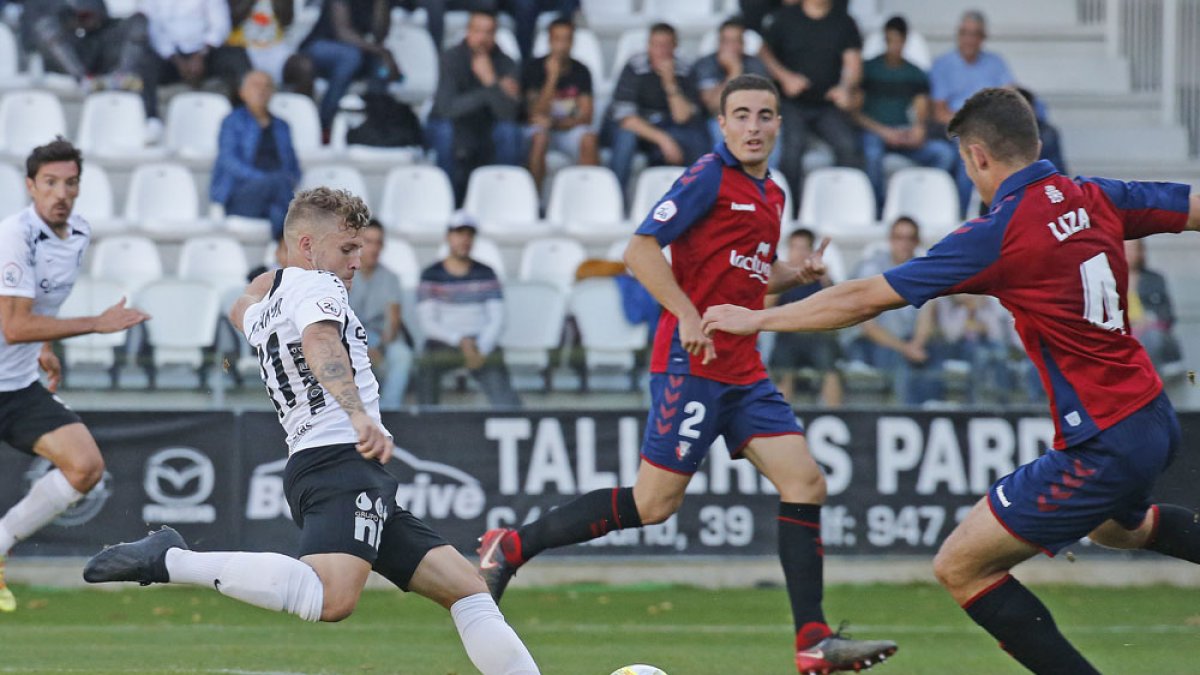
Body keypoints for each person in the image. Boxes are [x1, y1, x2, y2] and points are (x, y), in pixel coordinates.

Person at [703, 86, 1200, 674]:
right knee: (1120, 529)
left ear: (977, 158)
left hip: (1103, 441)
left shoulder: (1000, 232)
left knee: (962, 565)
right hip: (1152, 416)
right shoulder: (1093, 194)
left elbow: (865, 297)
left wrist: (757, 316)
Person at [476, 74, 897, 674]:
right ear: (722, 124)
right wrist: (687, 314)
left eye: (766, 115)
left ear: (779, 124)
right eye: (742, 115)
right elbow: (641, 249)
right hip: (691, 364)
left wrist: (792, 275)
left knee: (806, 482)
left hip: (744, 370)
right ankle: (512, 545)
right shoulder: (706, 177)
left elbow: (747, 273)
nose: (754, 125)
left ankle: (813, 642)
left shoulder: (773, 193)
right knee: (654, 505)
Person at [82, 187, 540, 675]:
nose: (357, 260)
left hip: (321, 462)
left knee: (467, 590)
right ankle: (170, 560)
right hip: (340, 456)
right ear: (306, 246)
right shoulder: (319, 286)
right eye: (347, 248)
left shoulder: (267, 305)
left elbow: (243, 306)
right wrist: (358, 413)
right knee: (331, 598)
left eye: (359, 247)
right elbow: (321, 340)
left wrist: (267, 281)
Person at [0, 138, 150, 612]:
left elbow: (35, 309)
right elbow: (14, 324)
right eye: (49, 183)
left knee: (85, 467)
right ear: (30, 186)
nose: (60, 193)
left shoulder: (78, 233)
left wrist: (44, 346)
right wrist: (96, 323)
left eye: (69, 183)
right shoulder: (15, 237)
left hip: (17, 385)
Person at [758, 0, 865, 212]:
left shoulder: (844, 22)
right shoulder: (785, 18)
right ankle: (790, 212)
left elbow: (853, 64)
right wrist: (785, 77)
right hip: (791, 104)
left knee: (848, 147)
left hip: (827, 105)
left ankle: (844, 209)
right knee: (792, 151)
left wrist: (845, 87)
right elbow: (764, 53)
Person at [415, 212, 521, 408]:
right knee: (427, 365)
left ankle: (513, 423)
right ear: (448, 237)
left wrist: (481, 346)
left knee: (501, 385)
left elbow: (498, 319)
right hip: (444, 342)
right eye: (459, 233)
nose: (464, 240)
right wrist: (460, 340)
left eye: (469, 235)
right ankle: (426, 422)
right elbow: (428, 323)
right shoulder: (431, 274)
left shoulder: (486, 272)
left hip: (481, 343)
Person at [854, 15, 956, 210]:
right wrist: (883, 131)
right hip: (875, 133)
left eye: (898, 41)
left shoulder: (915, 73)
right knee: (872, 153)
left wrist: (918, 130)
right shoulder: (868, 70)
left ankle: (928, 204)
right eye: (889, 40)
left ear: (905, 41)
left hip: (903, 134)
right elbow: (856, 114)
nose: (894, 46)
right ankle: (877, 210)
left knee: (943, 154)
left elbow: (921, 111)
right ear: (884, 40)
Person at [426, 10, 523, 202]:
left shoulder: (506, 63)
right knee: (445, 131)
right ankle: (447, 200)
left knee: (510, 132)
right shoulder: (450, 58)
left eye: (489, 32)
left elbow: (509, 114)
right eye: (478, 31)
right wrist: (492, 90)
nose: (483, 38)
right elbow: (447, 109)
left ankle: (504, 198)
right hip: (454, 124)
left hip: (486, 125)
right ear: (468, 31)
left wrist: (490, 81)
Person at [608, 22, 708, 195]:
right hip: (637, 127)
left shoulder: (684, 70)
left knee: (696, 138)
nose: (661, 51)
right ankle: (615, 198)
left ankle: (693, 199)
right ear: (648, 46)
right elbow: (626, 118)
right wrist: (663, 140)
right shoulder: (634, 67)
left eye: (666, 45)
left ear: (675, 47)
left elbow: (682, 117)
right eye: (656, 45)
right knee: (626, 138)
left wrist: (670, 83)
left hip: (669, 125)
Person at [849, 216, 940, 405]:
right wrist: (905, 349)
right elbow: (869, 327)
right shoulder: (873, 269)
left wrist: (917, 344)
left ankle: (936, 411)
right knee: (901, 363)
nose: (904, 244)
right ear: (890, 240)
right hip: (870, 344)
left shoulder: (925, 271)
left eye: (910, 238)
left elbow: (927, 317)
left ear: (917, 242)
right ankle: (909, 414)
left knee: (935, 356)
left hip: (907, 341)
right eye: (899, 238)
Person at [929, 10, 1014, 210]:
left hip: (993, 130)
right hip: (957, 129)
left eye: (974, 34)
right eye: (964, 33)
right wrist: (971, 127)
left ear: (983, 38)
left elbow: (1010, 100)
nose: (968, 39)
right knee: (968, 156)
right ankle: (960, 216)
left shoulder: (995, 63)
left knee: (1038, 140)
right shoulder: (943, 64)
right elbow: (939, 112)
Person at [210, 70, 302, 241]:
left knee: (277, 211)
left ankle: (280, 253)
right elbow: (229, 160)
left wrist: (286, 180)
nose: (262, 90)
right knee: (282, 188)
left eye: (267, 86)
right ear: (242, 92)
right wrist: (263, 179)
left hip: (276, 194)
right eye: (255, 85)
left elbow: (293, 165)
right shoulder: (232, 122)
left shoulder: (282, 126)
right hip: (241, 195)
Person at [139, 0, 253, 134]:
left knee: (237, 56)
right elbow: (154, 31)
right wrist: (176, 59)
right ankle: (152, 120)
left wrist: (201, 54)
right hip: (170, 57)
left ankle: (246, 116)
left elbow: (221, 26)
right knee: (145, 61)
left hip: (206, 52)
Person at [299, 0, 400, 135]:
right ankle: (325, 122)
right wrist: (381, 51)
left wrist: (380, 3)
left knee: (382, 69)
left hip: (358, 52)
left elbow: (380, 34)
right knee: (350, 57)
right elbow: (343, 32)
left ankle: (376, 125)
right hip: (320, 47)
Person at [522, 16, 598, 191]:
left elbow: (586, 115)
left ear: (572, 42)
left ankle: (588, 197)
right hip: (538, 131)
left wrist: (556, 123)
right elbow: (534, 113)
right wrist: (552, 78)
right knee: (540, 138)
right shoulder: (533, 68)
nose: (562, 45)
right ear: (549, 40)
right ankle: (534, 200)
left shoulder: (582, 71)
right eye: (557, 39)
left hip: (566, 130)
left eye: (567, 39)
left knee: (588, 139)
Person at [768, 228, 842, 407]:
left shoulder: (820, 277)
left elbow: (837, 308)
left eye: (803, 248)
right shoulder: (781, 276)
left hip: (817, 333)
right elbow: (764, 307)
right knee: (784, 371)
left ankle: (835, 413)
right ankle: (781, 416)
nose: (799, 253)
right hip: (788, 333)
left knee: (830, 369)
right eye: (795, 248)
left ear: (810, 251)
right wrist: (782, 280)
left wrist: (825, 279)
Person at [20, 0, 152, 95]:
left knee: (139, 20)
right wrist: (73, 22)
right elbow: (31, 38)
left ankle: (123, 76)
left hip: (100, 40)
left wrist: (95, 19)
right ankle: (85, 80)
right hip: (71, 50)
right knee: (45, 27)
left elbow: (105, 15)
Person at [350, 220, 414, 410]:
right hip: (348, 340)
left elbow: (392, 322)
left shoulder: (390, 277)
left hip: (379, 339)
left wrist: (379, 347)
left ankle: (388, 413)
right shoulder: (341, 274)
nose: (374, 248)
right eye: (369, 241)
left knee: (402, 355)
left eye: (379, 242)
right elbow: (337, 323)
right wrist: (362, 349)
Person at [693, 18, 771, 155]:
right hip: (717, 120)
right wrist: (734, 71)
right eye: (726, 41)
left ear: (743, 44)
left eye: (736, 41)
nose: (731, 46)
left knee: (770, 130)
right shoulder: (705, 64)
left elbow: (762, 105)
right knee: (720, 130)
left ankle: (763, 175)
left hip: (752, 119)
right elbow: (714, 107)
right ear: (719, 43)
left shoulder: (756, 65)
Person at [227, 0, 314, 94]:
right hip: (241, 48)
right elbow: (232, 20)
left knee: (304, 67)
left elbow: (287, 21)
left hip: (274, 49)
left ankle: (296, 106)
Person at [1125, 238, 1182, 370]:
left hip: (1149, 331)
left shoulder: (1154, 279)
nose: (1127, 253)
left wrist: (1149, 321)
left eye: (1132, 249)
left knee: (1151, 338)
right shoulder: (1108, 280)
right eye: (1124, 248)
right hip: (1122, 332)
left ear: (1140, 252)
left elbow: (1167, 314)